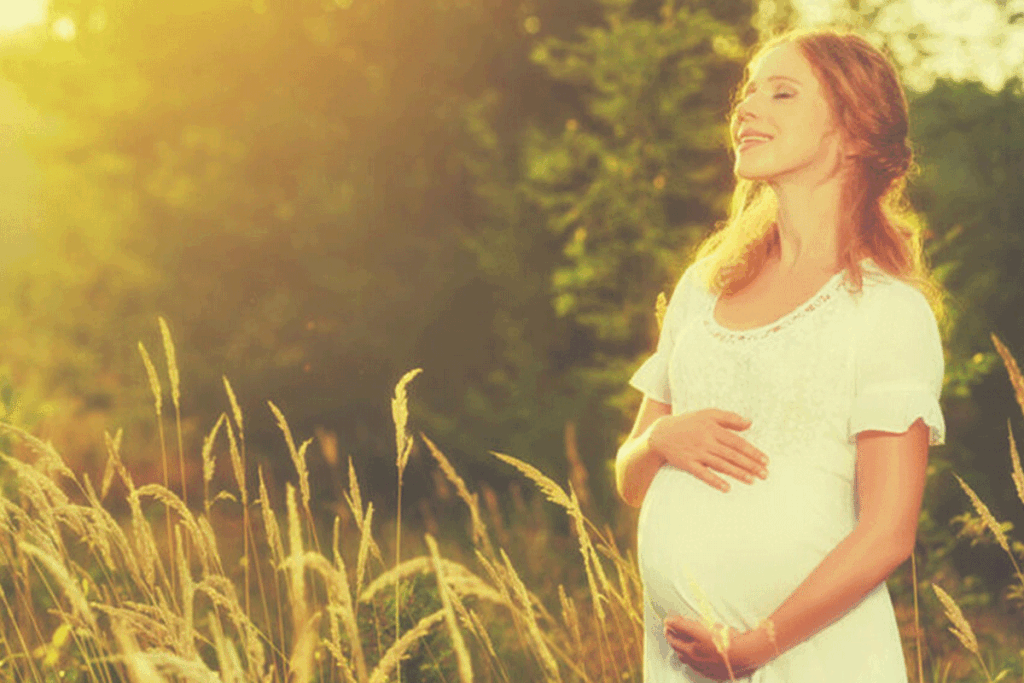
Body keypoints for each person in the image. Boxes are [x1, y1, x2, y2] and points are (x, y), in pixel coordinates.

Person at [615, 27, 946, 682]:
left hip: (814, 660)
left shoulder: (886, 312)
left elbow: (886, 534)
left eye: (782, 92)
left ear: (852, 132)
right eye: (748, 91)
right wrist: (659, 442)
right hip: (682, 663)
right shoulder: (703, 287)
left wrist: (755, 644)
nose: (746, 107)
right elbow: (629, 479)